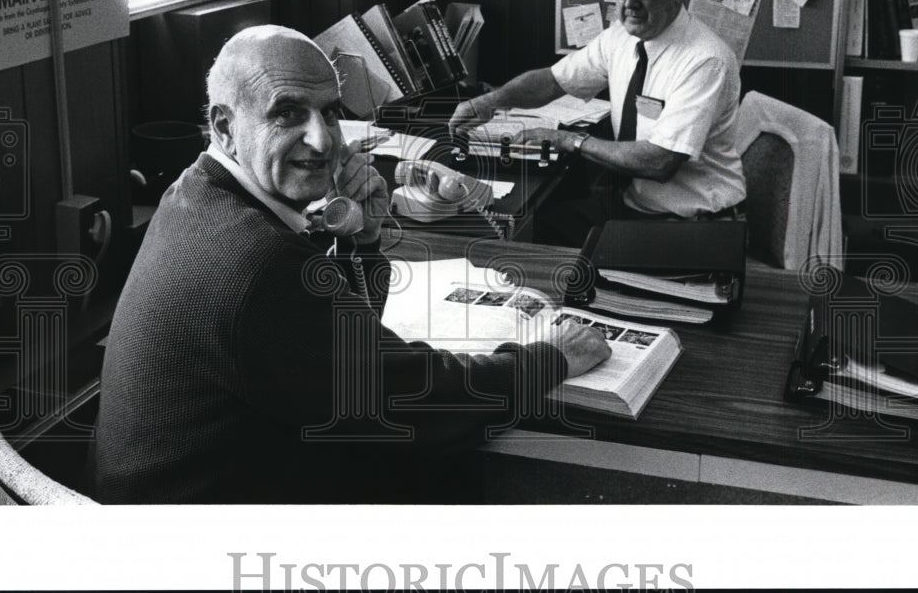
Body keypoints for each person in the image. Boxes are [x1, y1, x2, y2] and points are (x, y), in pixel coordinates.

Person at [92, 25, 610, 504]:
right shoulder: (258, 262)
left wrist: (363, 240)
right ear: (225, 126)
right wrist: (548, 359)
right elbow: (417, 403)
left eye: (331, 111)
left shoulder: (195, 192)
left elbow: (336, 347)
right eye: (288, 112)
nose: (324, 140)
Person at [448, 0, 746, 247]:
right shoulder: (621, 37)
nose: (629, 2)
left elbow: (659, 162)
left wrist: (570, 140)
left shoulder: (704, 60)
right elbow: (553, 81)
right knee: (526, 227)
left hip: (691, 225)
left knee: (540, 246)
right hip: (635, 207)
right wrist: (489, 102)